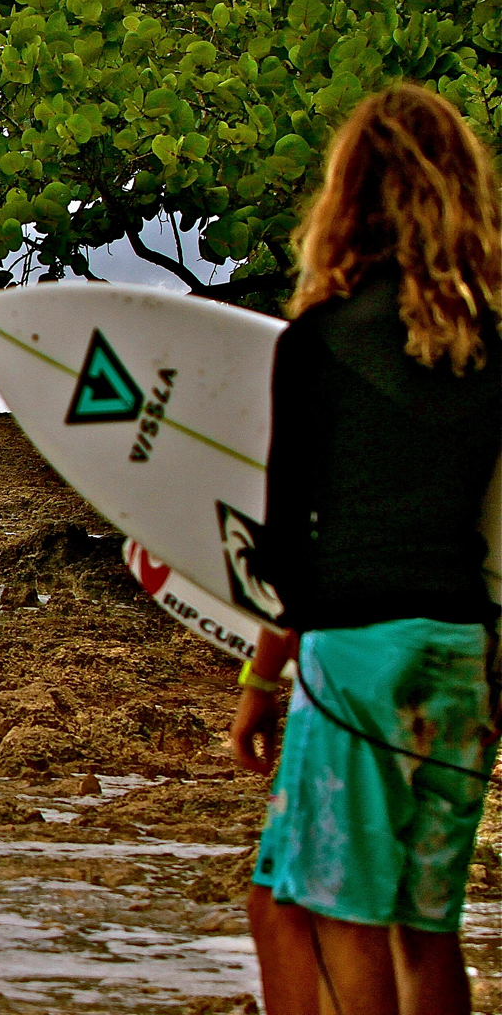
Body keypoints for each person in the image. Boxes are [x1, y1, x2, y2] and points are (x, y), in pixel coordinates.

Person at [231, 81, 502, 1015]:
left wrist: (268, 679)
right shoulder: (490, 346)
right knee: (426, 926)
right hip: (462, 653)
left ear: (347, 195)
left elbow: (284, 552)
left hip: (357, 655)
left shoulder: (319, 341)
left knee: (335, 914)